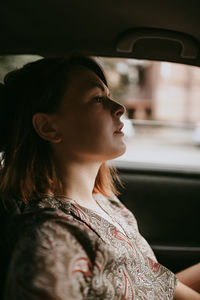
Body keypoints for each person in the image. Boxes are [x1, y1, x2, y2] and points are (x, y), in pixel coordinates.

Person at [0, 54, 199, 300]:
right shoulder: (51, 239)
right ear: (48, 127)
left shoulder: (108, 204)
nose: (119, 108)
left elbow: (157, 285)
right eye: (97, 99)